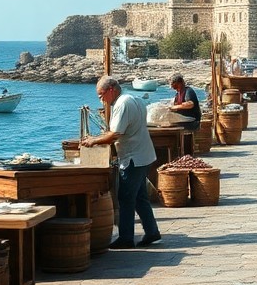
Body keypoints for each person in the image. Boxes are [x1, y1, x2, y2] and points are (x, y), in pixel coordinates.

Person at [82, 76, 161, 249]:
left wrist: (93, 141)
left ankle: (126, 237)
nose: (101, 99)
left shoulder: (122, 104)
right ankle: (152, 231)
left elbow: (115, 134)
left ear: (111, 90)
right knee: (140, 197)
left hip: (133, 157)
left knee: (125, 198)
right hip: (143, 155)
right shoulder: (134, 99)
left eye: (101, 95)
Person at [168, 73, 201, 150]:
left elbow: (190, 104)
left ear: (179, 83)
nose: (172, 86)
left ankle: (184, 149)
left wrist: (175, 107)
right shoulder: (178, 94)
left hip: (191, 119)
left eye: (173, 84)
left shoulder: (188, 91)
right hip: (183, 118)